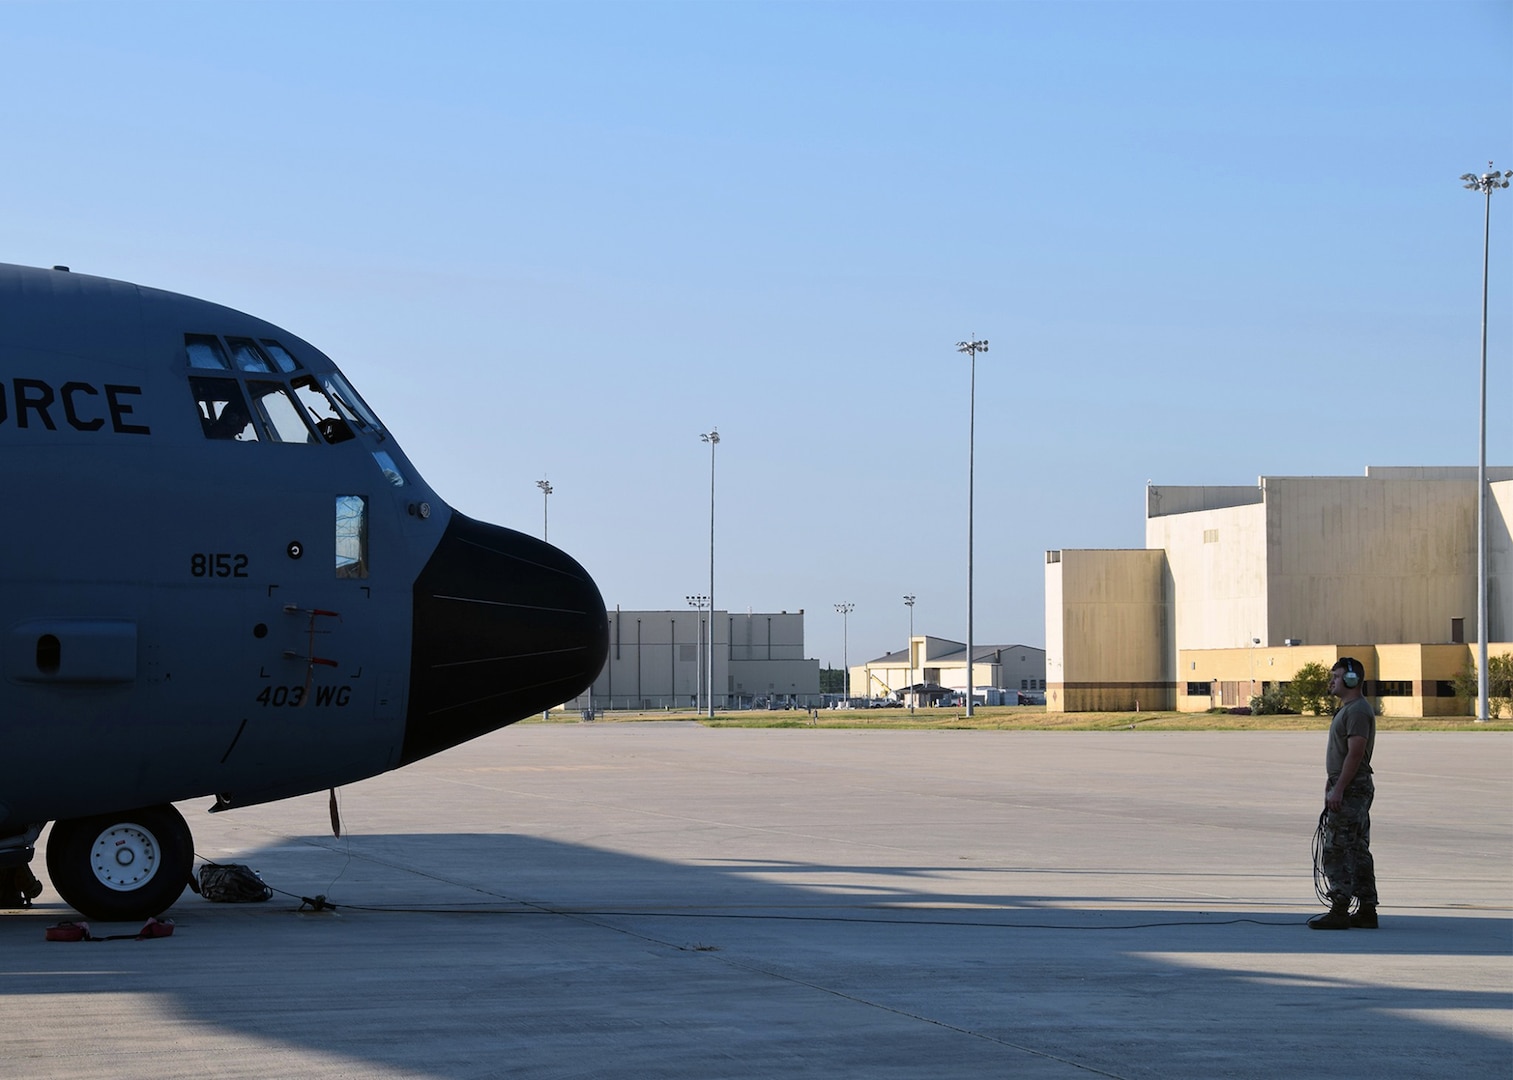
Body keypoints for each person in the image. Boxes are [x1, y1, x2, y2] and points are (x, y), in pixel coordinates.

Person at [1309, 656, 1379, 929]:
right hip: (1350, 785)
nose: (1332, 682)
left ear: (1352, 680)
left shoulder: (1357, 711)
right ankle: (1366, 909)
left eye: (1336, 677)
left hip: (1350, 786)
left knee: (1337, 847)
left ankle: (1340, 907)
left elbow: (1356, 752)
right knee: (1357, 848)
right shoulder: (1351, 709)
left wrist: (1338, 789)